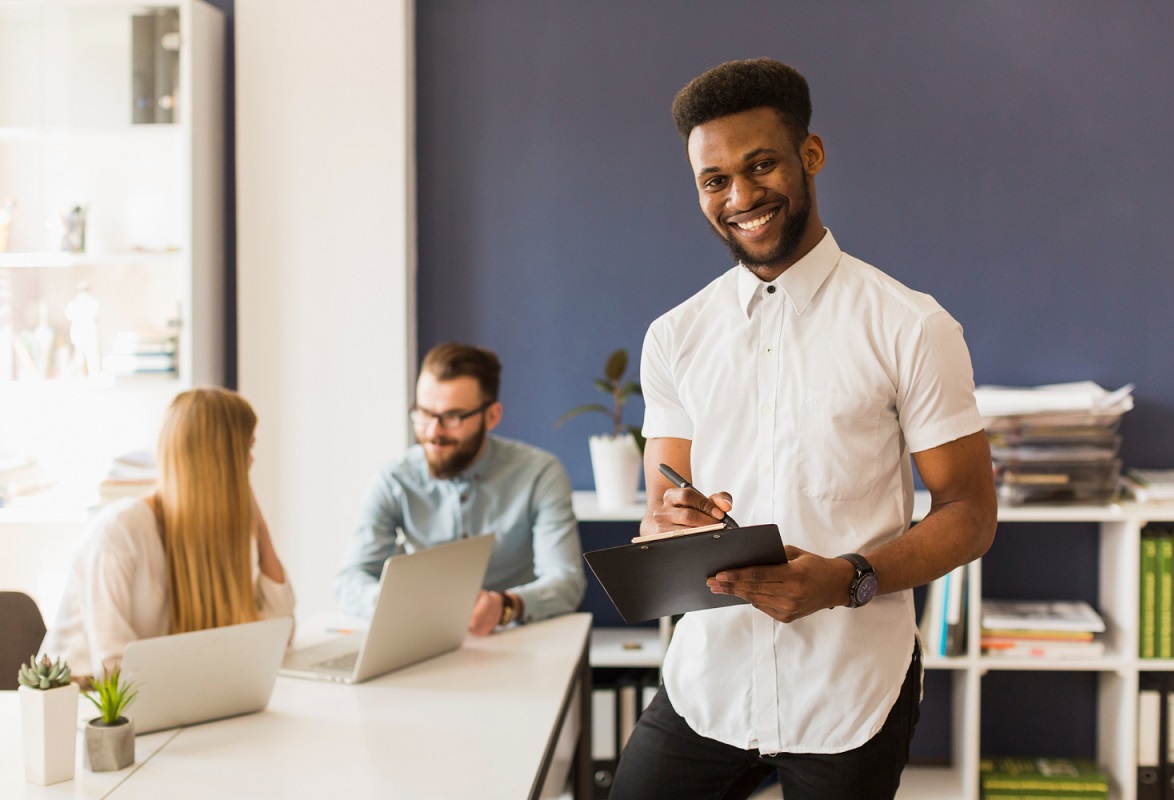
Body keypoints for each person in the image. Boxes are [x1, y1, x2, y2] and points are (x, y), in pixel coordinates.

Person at [609, 58, 998, 800]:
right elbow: (660, 514)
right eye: (714, 180)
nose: (740, 198)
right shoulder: (674, 337)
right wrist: (672, 524)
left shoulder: (911, 326)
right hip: (708, 683)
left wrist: (849, 578)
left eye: (761, 166)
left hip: (851, 690)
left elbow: (971, 514)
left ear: (810, 155)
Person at [43, 387, 295, 681]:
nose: (251, 461)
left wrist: (260, 529)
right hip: (88, 699)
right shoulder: (119, 534)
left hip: (161, 696)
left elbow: (279, 635)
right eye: (246, 449)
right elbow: (114, 670)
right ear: (219, 461)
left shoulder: (207, 537)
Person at [335, 342, 585, 635]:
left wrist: (506, 606)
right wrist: (403, 606)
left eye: (452, 418)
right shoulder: (393, 480)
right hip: (424, 638)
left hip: (519, 635)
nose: (433, 432)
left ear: (492, 416)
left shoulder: (540, 473)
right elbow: (350, 581)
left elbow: (566, 581)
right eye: (424, 414)